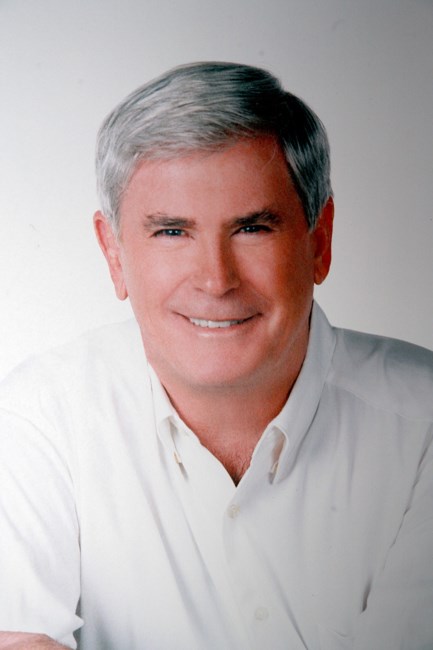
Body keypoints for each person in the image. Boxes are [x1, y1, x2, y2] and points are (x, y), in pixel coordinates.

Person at [0, 62, 432, 650]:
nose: (215, 279)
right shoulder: (39, 418)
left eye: (252, 228)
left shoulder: (423, 423)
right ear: (114, 254)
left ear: (320, 240)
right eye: (172, 232)